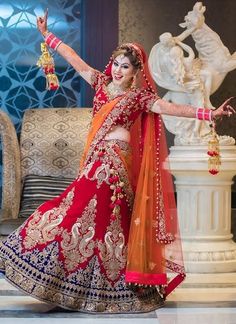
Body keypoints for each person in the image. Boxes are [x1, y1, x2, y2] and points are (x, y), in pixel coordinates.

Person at [0, 10, 234, 314]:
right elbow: (74, 60)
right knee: (77, 213)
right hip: (98, 161)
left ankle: (110, 288)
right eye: (116, 65)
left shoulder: (138, 98)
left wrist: (209, 114)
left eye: (125, 67)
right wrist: (47, 36)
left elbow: (169, 106)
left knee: (109, 223)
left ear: (136, 72)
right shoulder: (100, 83)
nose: (117, 71)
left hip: (115, 166)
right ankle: (65, 282)